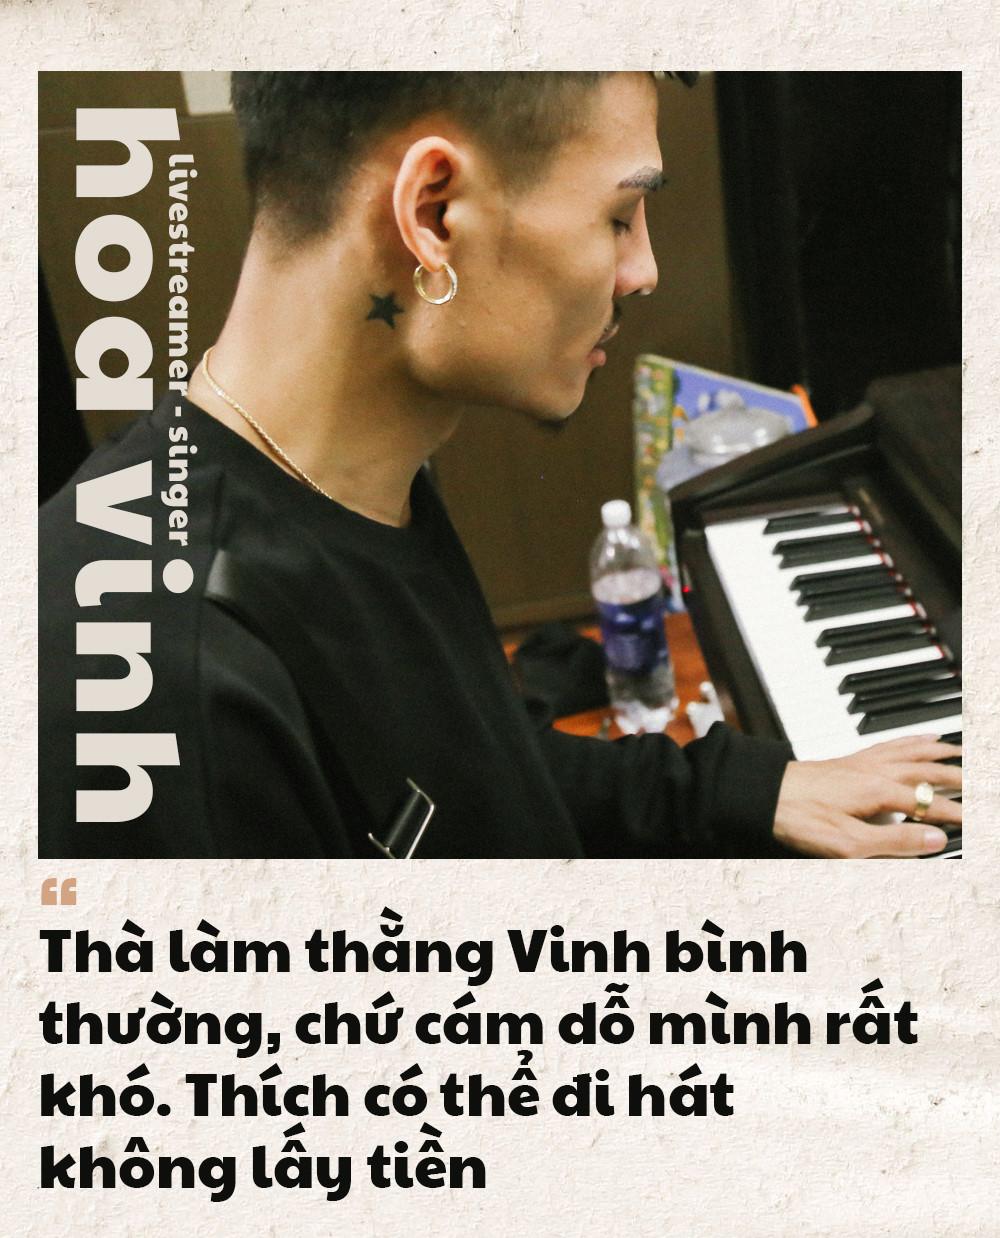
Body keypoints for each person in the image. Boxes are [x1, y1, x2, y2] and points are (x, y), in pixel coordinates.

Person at [38, 71, 961, 859]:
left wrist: (742, 791)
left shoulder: (348, 480)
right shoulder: (151, 698)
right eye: (620, 216)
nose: (642, 271)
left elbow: (464, 779)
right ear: (433, 214)